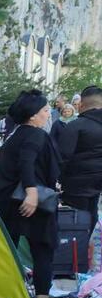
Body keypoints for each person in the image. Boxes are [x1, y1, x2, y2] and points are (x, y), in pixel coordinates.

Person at [0, 89, 62, 298]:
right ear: (32, 115)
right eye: (44, 110)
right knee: (44, 249)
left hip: (7, 201)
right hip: (31, 203)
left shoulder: (16, 133)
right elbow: (27, 162)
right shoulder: (34, 134)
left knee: (8, 251)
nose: (48, 113)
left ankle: (6, 297)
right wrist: (32, 192)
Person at [57, 85, 102, 235]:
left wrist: (58, 179)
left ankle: (75, 253)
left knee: (75, 222)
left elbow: (62, 157)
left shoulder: (75, 126)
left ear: (81, 105)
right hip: (97, 184)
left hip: (75, 185)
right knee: (92, 215)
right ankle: (85, 251)